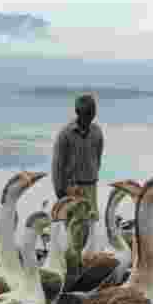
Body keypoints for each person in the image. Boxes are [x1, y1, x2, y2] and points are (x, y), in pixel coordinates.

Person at [52, 93, 104, 221]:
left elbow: (98, 158)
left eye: (92, 112)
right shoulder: (65, 134)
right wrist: (61, 192)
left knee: (92, 225)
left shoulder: (97, 132)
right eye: (86, 113)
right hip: (72, 189)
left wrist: (92, 177)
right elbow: (57, 166)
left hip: (91, 187)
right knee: (74, 228)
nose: (90, 116)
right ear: (78, 112)